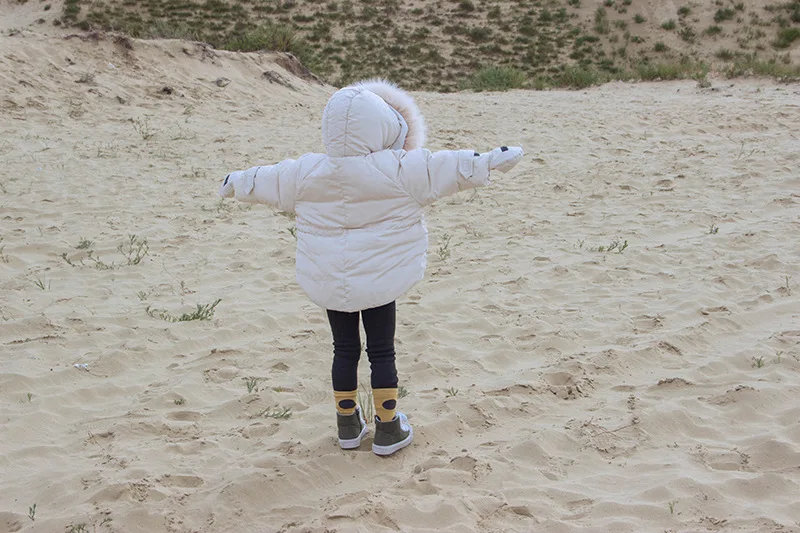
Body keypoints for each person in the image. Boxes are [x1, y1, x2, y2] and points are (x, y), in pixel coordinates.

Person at [219, 78, 524, 456]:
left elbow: (266, 178)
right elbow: (444, 168)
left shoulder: (308, 171)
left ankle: (347, 424)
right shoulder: (396, 166)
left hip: (330, 279)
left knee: (343, 349)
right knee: (382, 352)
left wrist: (235, 182)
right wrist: (491, 160)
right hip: (380, 279)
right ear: (381, 127)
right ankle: (388, 427)